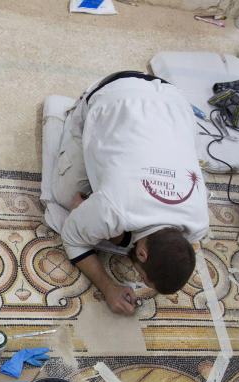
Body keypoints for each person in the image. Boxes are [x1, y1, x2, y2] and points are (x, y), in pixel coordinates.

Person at [44, 71, 209, 315]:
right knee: (64, 196)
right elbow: (72, 237)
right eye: (142, 276)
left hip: (175, 101)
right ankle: (73, 110)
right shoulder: (114, 209)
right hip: (115, 92)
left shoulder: (199, 221)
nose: (138, 278)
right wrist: (108, 287)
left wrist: (109, 230)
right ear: (142, 253)